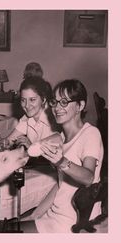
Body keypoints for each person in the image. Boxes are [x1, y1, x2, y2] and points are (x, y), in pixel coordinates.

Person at [21, 79, 104, 233]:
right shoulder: (61, 137)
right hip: (55, 213)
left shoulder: (91, 133)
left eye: (64, 102)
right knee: (12, 227)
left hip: (76, 220)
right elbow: (61, 184)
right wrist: (35, 214)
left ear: (80, 105)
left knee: (8, 232)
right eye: (55, 102)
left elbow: (88, 178)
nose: (57, 108)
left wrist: (61, 161)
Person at [6, 76, 57, 149]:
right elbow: (9, 141)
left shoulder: (53, 120)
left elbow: (53, 156)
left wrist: (31, 147)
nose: (27, 105)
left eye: (32, 100)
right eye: (23, 100)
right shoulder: (27, 118)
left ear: (44, 99)